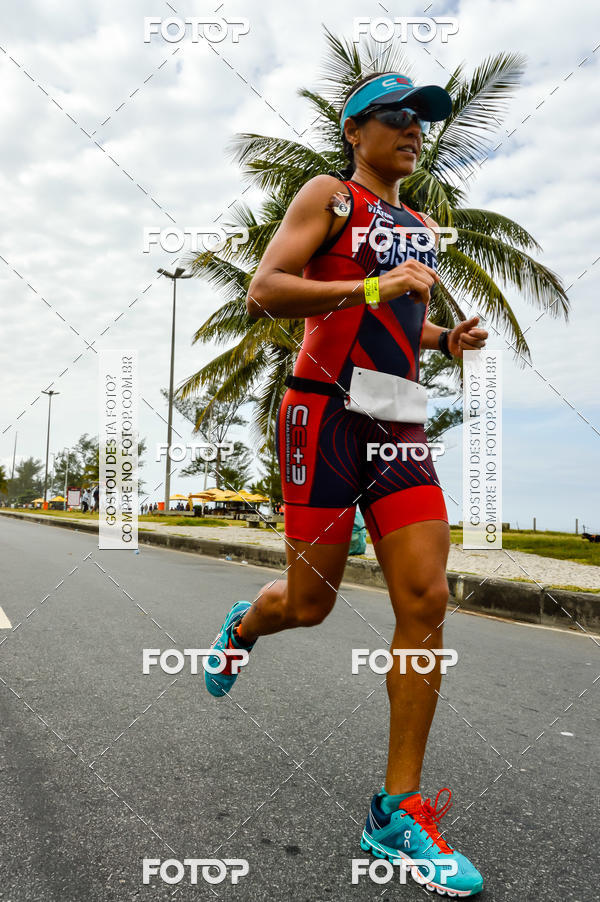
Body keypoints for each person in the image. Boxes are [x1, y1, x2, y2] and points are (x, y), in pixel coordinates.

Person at [204, 72, 488, 896]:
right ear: (354, 131)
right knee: (310, 603)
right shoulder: (329, 197)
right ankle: (247, 622)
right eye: (396, 117)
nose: (414, 131)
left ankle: (394, 812)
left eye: (422, 121)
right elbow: (266, 290)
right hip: (322, 415)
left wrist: (443, 338)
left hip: (396, 419)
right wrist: (371, 283)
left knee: (426, 599)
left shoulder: (419, 226)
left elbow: (395, 319)